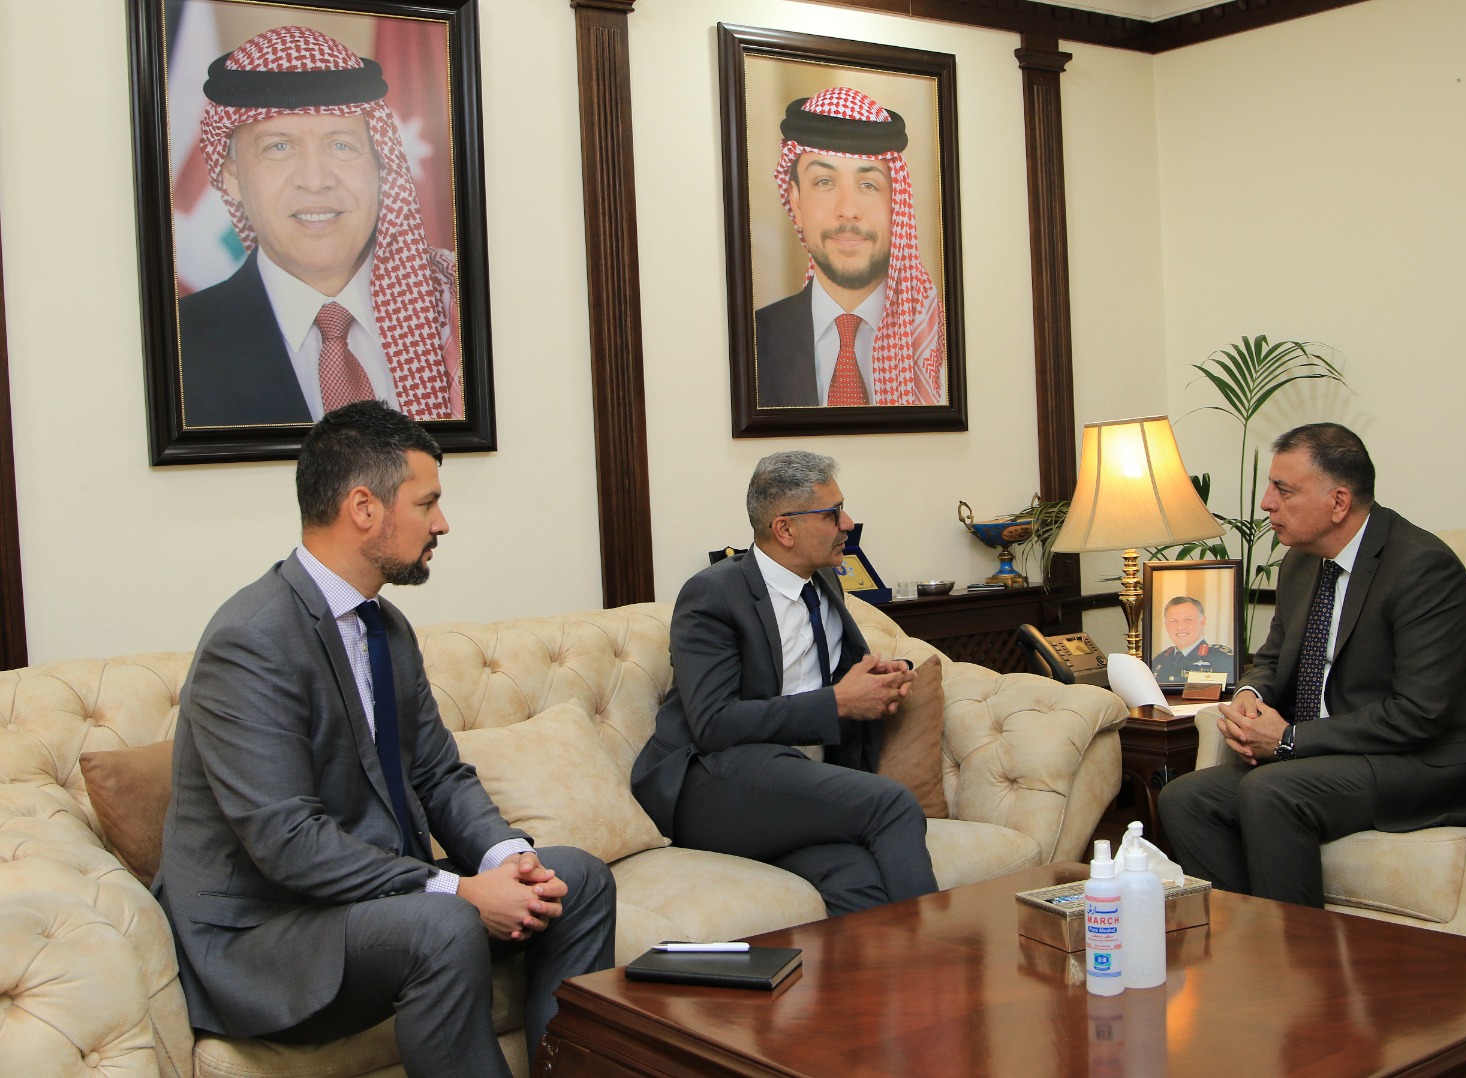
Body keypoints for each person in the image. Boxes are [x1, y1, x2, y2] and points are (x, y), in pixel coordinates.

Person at [154, 402, 614, 1076]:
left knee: (576, 880)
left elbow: (437, 773)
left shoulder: (383, 626)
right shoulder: (250, 641)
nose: (442, 523)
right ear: (364, 507)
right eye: (427, 503)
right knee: (443, 924)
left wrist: (507, 861)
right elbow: (287, 841)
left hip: (375, 904)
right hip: (268, 935)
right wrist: (458, 893)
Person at [1158, 423, 1466, 907]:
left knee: (1271, 790)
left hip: (1425, 763)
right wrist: (1249, 698)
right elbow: (1272, 658)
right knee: (1185, 798)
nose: (1266, 503)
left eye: (1283, 489)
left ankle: (1299, 950)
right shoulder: (1301, 563)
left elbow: (1419, 713)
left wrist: (1288, 739)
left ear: (1338, 502)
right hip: (1331, 756)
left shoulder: (1422, 567)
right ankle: (1248, 939)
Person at [631, 450, 939, 914]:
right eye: (833, 513)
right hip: (708, 782)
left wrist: (873, 682)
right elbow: (713, 724)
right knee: (891, 803)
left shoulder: (826, 580)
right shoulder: (714, 593)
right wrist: (838, 702)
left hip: (792, 782)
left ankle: (880, 964)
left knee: (856, 878)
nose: (848, 524)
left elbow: (817, 676)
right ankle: (944, 954)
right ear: (785, 529)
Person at [177, 25, 462, 428]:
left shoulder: (457, 313)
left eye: (341, 145)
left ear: (380, 165)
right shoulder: (177, 346)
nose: (315, 180)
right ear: (233, 178)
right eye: (279, 147)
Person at [754, 87, 945, 408]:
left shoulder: (938, 342)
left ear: (896, 204)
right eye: (824, 182)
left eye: (868, 184)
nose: (847, 210)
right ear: (796, 202)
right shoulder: (753, 341)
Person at [1149, 595, 1234, 685]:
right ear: (1166, 625)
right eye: (1173, 621)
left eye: (1187, 620)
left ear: (1202, 622)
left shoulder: (1223, 660)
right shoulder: (1159, 660)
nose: (1180, 627)